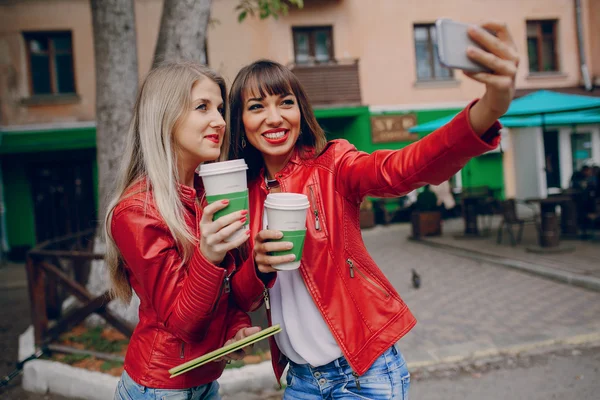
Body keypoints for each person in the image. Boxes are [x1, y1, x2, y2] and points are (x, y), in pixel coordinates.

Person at [228, 22, 518, 399]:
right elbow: (239, 295)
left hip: (362, 375)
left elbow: (401, 168)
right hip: (301, 382)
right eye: (257, 107)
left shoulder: (333, 165)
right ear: (241, 120)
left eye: (286, 102)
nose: (275, 117)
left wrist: (490, 107)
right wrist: (258, 268)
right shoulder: (241, 196)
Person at [105, 61, 259, 400]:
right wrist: (208, 254)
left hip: (203, 381)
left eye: (219, 108)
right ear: (165, 117)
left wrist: (235, 329)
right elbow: (183, 322)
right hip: (160, 388)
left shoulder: (208, 195)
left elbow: (225, 291)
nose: (219, 121)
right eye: (202, 107)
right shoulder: (136, 212)